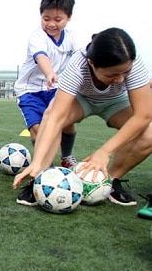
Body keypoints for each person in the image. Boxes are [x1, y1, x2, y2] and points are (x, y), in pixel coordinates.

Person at [13, 28, 152, 208]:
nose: (120, 79)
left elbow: (143, 115)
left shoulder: (134, 64)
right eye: (112, 75)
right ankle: (40, 178)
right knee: (50, 113)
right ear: (92, 63)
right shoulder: (78, 63)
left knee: (149, 132)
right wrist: (37, 162)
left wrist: (104, 152)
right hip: (82, 99)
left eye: (125, 73)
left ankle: (107, 181)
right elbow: (56, 117)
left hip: (117, 102)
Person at [14, 0, 79, 177]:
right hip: (30, 91)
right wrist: (50, 72)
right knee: (38, 129)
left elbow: (82, 59)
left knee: (67, 123)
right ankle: (44, 167)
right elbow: (41, 56)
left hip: (57, 89)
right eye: (46, 18)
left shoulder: (73, 39)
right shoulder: (37, 37)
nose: (51, 24)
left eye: (57, 19)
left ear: (69, 17)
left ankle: (66, 157)